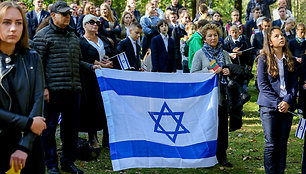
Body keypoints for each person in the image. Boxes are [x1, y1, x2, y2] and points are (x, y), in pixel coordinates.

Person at [33, 1, 100, 174]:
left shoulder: (72, 36)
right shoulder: (42, 36)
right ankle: (52, 164)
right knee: (49, 130)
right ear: (53, 15)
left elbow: (77, 62)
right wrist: (44, 88)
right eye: (63, 14)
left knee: (70, 130)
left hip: (73, 89)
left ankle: (68, 162)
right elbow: (37, 65)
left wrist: (91, 66)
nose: (67, 17)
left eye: (69, 14)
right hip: (53, 91)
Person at [0, 2, 46, 173]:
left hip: (30, 143)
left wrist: (25, 147)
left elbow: (38, 99)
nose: (13, 28)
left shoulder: (33, 57)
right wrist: (28, 123)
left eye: (19, 23)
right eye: (6, 22)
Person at [191, 23, 233, 167]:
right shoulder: (200, 54)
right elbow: (193, 74)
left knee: (222, 126)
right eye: (210, 36)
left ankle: (222, 155)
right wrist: (208, 73)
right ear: (204, 38)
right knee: (207, 126)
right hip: (206, 97)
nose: (213, 38)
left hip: (222, 95)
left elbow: (232, 70)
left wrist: (229, 71)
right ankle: (207, 156)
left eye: (215, 35)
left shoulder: (225, 53)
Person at [257, 26, 298, 174]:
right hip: (269, 107)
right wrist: (277, 103)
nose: (281, 38)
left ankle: (280, 171)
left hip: (286, 106)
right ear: (270, 41)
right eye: (276, 36)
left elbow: (294, 84)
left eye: (282, 35)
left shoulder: (289, 59)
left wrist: (287, 101)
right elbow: (262, 85)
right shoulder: (263, 59)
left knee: (282, 144)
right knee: (271, 144)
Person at [79, 14, 114, 154]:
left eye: (97, 22)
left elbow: (111, 53)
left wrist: (109, 62)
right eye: (91, 22)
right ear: (85, 25)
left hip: (106, 77)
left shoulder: (104, 39)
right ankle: (93, 137)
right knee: (92, 107)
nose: (95, 24)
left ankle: (108, 138)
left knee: (107, 106)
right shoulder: (80, 42)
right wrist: (96, 64)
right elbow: (81, 58)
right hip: (90, 79)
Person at [288, 23, 305, 115]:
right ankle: (292, 106)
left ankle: (301, 107)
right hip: (294, 67)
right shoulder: (291, 42)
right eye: (300, 32)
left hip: (303, 69)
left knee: (303, 87)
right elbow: (288, 54)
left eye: (304, 32)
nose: (302, 34)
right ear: (297, 31)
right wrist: (295, 58)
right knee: (294, 86)